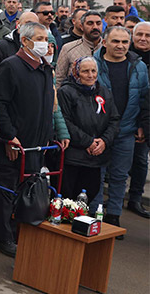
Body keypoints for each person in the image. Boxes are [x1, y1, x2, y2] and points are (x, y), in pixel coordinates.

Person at [0, 21, 57, 257]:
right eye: (39, 39)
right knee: (7, 187)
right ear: (25, 41)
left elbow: (48, 106)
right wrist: (9, 137)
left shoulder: (45, 68)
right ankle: (2, 236)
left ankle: (21, 231)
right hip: (14, 142)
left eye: (46, 38)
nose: (44, 43)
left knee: (30, 187)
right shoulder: (11, 66)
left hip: (37, 143)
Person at [93, 25, 149, 234]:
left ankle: (113, 216)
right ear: (105, 42)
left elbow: (144, 97)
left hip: (126, 131)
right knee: (96, 175)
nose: (120, 46)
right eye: (116, 41)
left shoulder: (138, 66)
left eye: (125, 42)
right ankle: (95, 214)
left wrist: (142, 126)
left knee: (119, 176)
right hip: (98, 131)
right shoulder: (93, 64)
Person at [58, 56, 118, 203]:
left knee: (88, 195)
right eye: (85, 71)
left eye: (93, 71)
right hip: (73, 157)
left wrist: (104, 141)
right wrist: (88, 142)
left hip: (95, 157)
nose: (90, 75)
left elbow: (114, 120)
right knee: (67, 199)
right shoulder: (65, 92)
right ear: (76, 72)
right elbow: (65, 121)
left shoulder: (104, 92)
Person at [127, 22, 150, 218]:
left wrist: (143, 125)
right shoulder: (123, 54)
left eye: (148, 35)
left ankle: (135, 198)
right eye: (139, 34)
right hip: (124, 116)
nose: (143, 38)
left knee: (141, 161)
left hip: (145, 120)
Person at [55, 10, 105, 86]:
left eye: (98, 23)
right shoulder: (68, 48)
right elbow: (59, 79)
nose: (95, 27)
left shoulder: (108, 48)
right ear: (82, 26)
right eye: (90, 23)